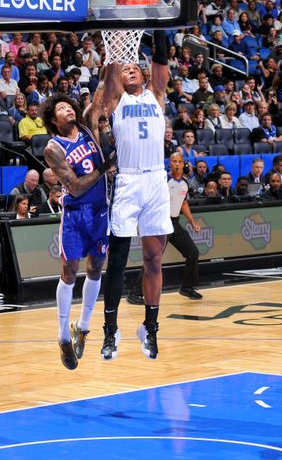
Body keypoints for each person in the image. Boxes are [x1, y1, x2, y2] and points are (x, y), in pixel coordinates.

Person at [95, 30, 173, 360]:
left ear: (142, 73)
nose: (130, 70)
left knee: (154, 259)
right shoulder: (117, 100)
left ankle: (150, 328)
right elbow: (112, 74)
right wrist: (117, 44)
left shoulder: (157, 95)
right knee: (118, 261)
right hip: (127, 181)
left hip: (156, 180)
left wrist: (158, 25)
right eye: (125, 69)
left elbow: (162, 58)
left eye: (134, 68)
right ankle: (110, 330)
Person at [41, 92, 113, 369]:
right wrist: (104, 168)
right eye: (60, 108)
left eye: (68, 105)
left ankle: (82, 327)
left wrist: (113, 61)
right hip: (74, 215)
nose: (67, 110)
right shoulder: (53, 148)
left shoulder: (86, 126)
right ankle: (62, 337)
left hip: (100, 210)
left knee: (96, 268)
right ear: (52, 119)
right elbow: (75, 186)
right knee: (69, 272)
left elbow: (98, 98)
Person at [129, 152, 203, 306]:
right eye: (174, 161)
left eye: (179, 162)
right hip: (160, 223)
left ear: (184, 164)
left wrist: (193, 222)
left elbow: (183, 203)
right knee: (153, 258)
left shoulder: (184, 183)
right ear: (170, 164)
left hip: (174, 223)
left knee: (193, 253)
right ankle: (135, 293)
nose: (176, 164)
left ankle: (187, 287)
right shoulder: (164, 180)